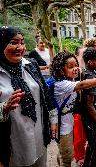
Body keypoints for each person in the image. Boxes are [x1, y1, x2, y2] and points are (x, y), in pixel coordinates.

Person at [50, 51, 96, 167]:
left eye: (76, 65)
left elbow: (88, 85)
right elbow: (83, 85)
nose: (75, 69)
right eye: (70, 67)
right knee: (67, 158)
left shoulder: (71, 80)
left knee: (65, 152)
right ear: (61, 69)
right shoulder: (61, 84)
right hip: (62, 127)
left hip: (69, 123)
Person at [0, 26, 58, 167]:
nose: (20, 47)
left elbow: (45, 92)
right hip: (13, 142)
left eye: (22, 42)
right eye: (13, 42)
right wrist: (4, 108)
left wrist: (53, 119)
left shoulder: (31, 65)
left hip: (38, 135)